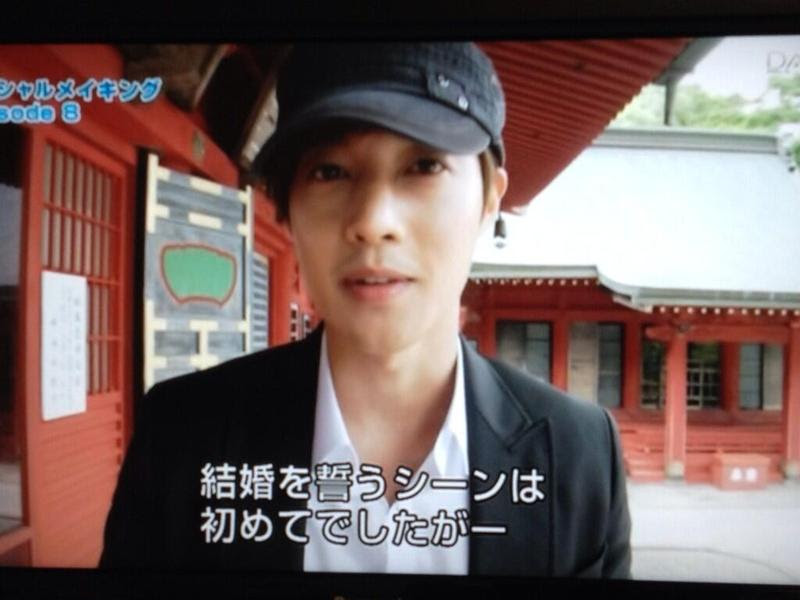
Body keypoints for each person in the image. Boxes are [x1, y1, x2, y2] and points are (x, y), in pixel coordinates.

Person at [99, 42, 632, 578]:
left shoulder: (579, 454)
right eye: (330, 172)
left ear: (490, 197)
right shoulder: (181, 436)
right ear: (287, 206)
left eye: (424, 165)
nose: (373, 221)